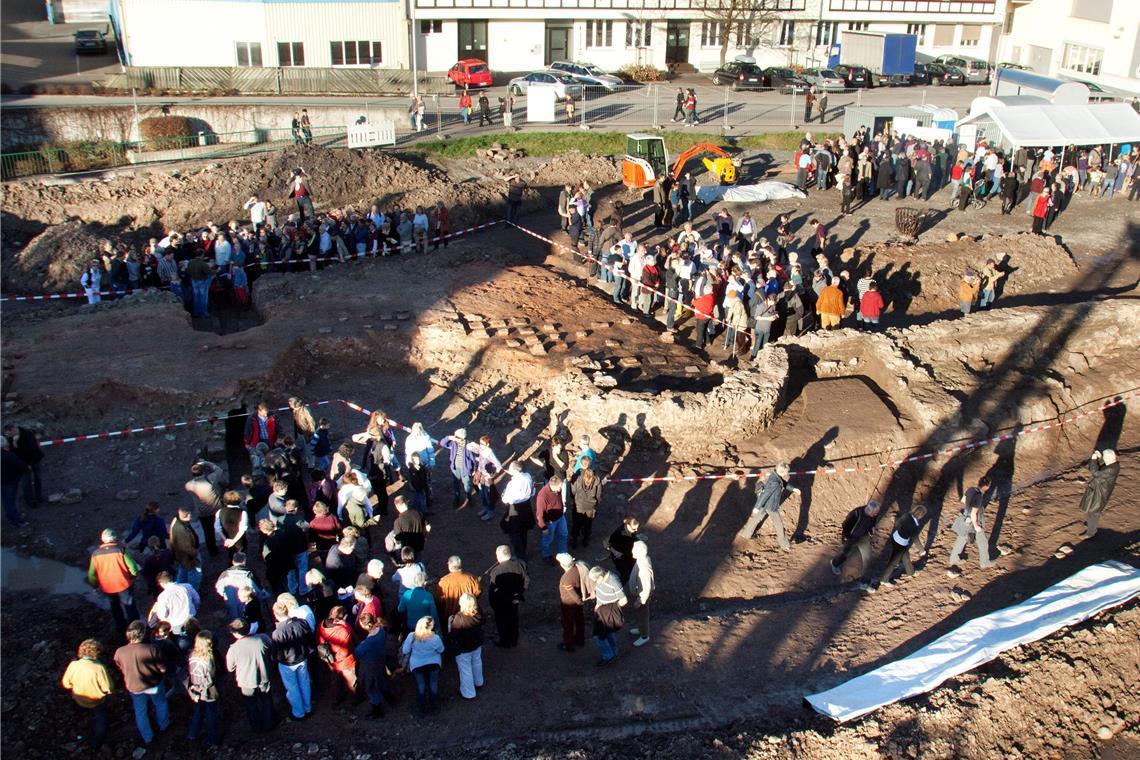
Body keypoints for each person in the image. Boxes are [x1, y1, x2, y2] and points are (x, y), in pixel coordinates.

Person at [114, 621, 170, 745]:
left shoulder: (120, 652)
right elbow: (162, 668)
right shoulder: (152, 648)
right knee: (160, 703)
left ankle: (147, 737)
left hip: (134, 686)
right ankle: (164, 726)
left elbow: (120, 666)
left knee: (140, 711)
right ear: (142, 634)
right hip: (153, 684)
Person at [61, 639, 115, 750]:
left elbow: (66, 684)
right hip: (97, 701)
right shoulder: (99, 668)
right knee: (101, 717)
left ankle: (81, 731)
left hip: (79, 698)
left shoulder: (74, 665)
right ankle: (98, 740)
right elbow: (108, 688)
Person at [225, 618, 275, 733]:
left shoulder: (234, 648)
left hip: (246, 681)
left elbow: (230, 667)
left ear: (235, 633)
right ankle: (270, 724)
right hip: (264, 676)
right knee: (266, 700)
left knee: (251, 704)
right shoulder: (262, 638)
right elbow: (272, 651)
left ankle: (256, 727)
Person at [87, 528, 140, 632]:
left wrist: (95, 586)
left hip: (107, 587)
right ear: (115, 538)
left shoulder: (95, 554)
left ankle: (120, 627)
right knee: (130, 607)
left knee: (115, 607)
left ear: (103, 540)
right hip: (124, 584)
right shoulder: (121, 550)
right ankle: (135, 628)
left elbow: (91, 574)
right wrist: (133, 577)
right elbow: (133, 567)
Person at [737, 465, 799, 550]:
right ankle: (785, 545)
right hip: (770, 506)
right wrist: (757, 507)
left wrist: (793, 489)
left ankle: (745, 534)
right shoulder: (774, 482)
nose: (787, 473)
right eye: (786, 472)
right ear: (782, 472)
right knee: (779, 525)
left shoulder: (775, 476)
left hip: (766, 505)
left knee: (756, 519)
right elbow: (765, 495)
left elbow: (783, 483)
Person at [271, 600, 314, 721]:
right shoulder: (301, 623)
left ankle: (299, 713)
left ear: (275, 614)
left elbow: (277, 653)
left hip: (287, 664)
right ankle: (308, 708)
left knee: (293, 688)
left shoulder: (277, 633)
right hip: (302, 659)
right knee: (304, 683)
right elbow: (309, 638)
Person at [872, 504, 928, 590]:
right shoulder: (914, 525)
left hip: (895, 537)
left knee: (905, 556)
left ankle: (911, 572)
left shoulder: (907, 515)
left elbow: (898, 523)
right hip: (901, 543)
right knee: (894, 562)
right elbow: (915, 538)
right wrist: (921, 550)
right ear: (920, 515)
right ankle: (884, 580)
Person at [947, 481, 994, 576]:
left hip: (965, 519)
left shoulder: (970, 489)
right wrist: (976, 526)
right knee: (982, 542)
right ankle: (984, 562)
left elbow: (963, 500)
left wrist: (968, 506)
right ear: (986, 486)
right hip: (973, 520)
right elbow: (973, 513)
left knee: (961, 538)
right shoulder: (979, 497)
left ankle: (954, 559)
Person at [401, 616, 445, 715]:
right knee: (433, 684)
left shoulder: (411, 636)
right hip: (433, 663)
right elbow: (441, 650)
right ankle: (434, 706)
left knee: (421, 685)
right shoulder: (435, 638)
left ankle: (422, 707)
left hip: (417, 665)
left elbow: (405, 650)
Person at [488, 544, 528, 648]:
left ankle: (505, 642)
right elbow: (526, 579)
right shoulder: (520, 564)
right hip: (515, 599)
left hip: (501, 602)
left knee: (502, 622)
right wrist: (520, 592)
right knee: (514, 619)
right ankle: (514, 640)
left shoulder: (496, 571)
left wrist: (493, 604)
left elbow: (492, 590)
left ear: (499, 556)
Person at [185, 631, 221, 747]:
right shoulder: (209, 658)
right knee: (211, 713)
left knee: (199, 710)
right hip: (208, 690)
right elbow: (213, 676)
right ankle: (213, 739)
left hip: (195, 689)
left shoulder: (191, 655)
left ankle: (192, 733)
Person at [830, 500, 881, 581]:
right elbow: (845, 525)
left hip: (864, 538)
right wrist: (846, 538)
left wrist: (872, 529)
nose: (876, 515)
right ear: (868, 510)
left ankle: (864, 582)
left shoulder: (874, 515)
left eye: (877, 513)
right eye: (874, 513)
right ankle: (835, 564)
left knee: (867, 558)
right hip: (852, 538)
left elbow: (873, 522)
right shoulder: (856, 514)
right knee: (845, 554)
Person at [317, 605, 358, 703]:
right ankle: (355, 698)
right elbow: (347, 648)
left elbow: (319, 640)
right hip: (345, 661)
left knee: (336, 680)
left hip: (330, 659)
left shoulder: (322, 624)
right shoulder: (342, 630)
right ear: (342, 617)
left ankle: (336, 699)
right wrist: (346, 625)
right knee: (351, 681)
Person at [447, 592, 485, 699]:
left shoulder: (458, 619)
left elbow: (453, 635)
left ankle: (469, 693)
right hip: (477, 644)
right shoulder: (478, 613)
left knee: (465, 669)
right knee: (477, 662)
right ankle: (479, 682)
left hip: (463, 648)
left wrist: (450, 623)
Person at [354, 612, 390, 717]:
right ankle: (389, 697)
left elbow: (357, 652)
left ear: (366, 625)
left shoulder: (369, 641)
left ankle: (377, 710)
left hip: (370, 664)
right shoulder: (381, 630)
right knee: (381, 680)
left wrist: (361, 644)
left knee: (371, 687)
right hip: (380, 660)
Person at [589, 566, 627, 666]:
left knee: (599, 636)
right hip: (601, 611)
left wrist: (611, 608)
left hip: (607, 613)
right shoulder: (601, 579)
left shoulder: (613, 581)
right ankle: (614, 653)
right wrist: (598, 605)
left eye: (595, 580)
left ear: (601, 576)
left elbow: (623, 600)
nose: (595, 582)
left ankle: (608, 656)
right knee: (608, 633)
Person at [1080, 449, 1119, 538]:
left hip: (1100, 493)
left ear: (1108, 458)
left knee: (1093, 512)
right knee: (1093, 510)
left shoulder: (1110, 469)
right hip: (1101, 491)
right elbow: (1100, 467)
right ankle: (1091, 526)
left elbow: (1096, 473)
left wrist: (1094, 460)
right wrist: (1100, 458)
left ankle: (1091, 532)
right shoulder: (1113, 465)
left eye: (1104, 458)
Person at [148, 571, 200, 637]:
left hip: (175, 625)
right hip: (191, 620)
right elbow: (197, 600)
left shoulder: (163, 596)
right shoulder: (187, 587)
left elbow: (163, 615)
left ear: (161, 583)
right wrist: (194, 609)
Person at [499, 462, 535, 557]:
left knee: (514, 532)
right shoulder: (528, 477)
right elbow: (532, 492)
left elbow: (505, 499)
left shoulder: (512, 483)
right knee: (524, 531)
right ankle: (523, 550)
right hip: (526, 506)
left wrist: (504, 497)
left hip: (515, 508)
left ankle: (519, 554)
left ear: (515, 470)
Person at [3, 423, 43, 507]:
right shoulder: (10, 438)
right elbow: (11, 451)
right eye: (7, 434)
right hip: (22, 463)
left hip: (33, 460)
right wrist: (14, 442)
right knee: (26, 482)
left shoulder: (27, 434)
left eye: (9, 433)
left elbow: (32, 450)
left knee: (38, 478)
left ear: (13, 429)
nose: (8, 435)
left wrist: (29, 463)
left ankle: (39, 496)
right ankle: (30, 500)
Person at [214, 551, 261, 622]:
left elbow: (219, 589)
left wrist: (226, 596)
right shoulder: (249, 574)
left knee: (235, 621)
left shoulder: (224, 574)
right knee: (248, 620)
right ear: (244, 561)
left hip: (231, 603)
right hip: (246, 602)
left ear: (233, 562)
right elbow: (257, 590)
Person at [435, 555, 482, 623]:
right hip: (468, 616)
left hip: (449, 617)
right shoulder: (471, 578)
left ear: (449, 566)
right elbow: (478, 592)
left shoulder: (443, 582)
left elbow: (438, 600)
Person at [439, 428, 476, 509]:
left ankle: (469, 498)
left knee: (467, 485)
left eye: (456, 436)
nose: (454, 437)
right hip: (455, 468)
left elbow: (473, 459)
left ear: (462, 438)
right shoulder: (453, 442)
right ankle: (457, 499)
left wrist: (474, 470)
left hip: (465, 469)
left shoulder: (469, 446)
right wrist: (448, 437)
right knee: (456, 485)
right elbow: (442, 443)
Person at [569, 458, 602, 548]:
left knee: (576, 524)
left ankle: (574, 541)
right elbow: (599, 495)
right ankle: (585, 540)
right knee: (588, 524)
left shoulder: (576, 476)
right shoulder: (597, 479)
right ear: (590, 464)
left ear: (581, 464)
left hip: (578, 505)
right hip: (590, 507)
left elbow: (573, 491)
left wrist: (574, 500)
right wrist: (596, 504)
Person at [626, 541, 654, 648]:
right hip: (639, 595)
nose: (632, 551)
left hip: (642, 597)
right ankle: (641, 628)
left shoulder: (644, 568)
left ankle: (644, 636)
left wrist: (640, 601)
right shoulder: (641, 560)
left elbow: (646, 588)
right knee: (640, 614)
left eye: (635, 550)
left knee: (643, 614)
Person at [535, 475, 568, 561]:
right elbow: (539, 514)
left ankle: (562, 554)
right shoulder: (542, 496)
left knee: (563, 534)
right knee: (548, 539)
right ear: (553, 486)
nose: (561, 488)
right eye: (560, 486)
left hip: (560, 517)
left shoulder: (557, 490)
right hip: (550, 522)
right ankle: (546, 556)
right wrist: (543, 527)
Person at [604, 517, 641, 585]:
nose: (636, 530)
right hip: (620, 557)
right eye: (634, 529)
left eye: (637, 528)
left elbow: (632, 538)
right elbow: (606, 543)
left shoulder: (631, 531)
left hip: (629, 554)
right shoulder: (618, 533)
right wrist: (615, 552)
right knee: (625, 574)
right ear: (628, 525)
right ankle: (620, 585)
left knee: (632, 569)